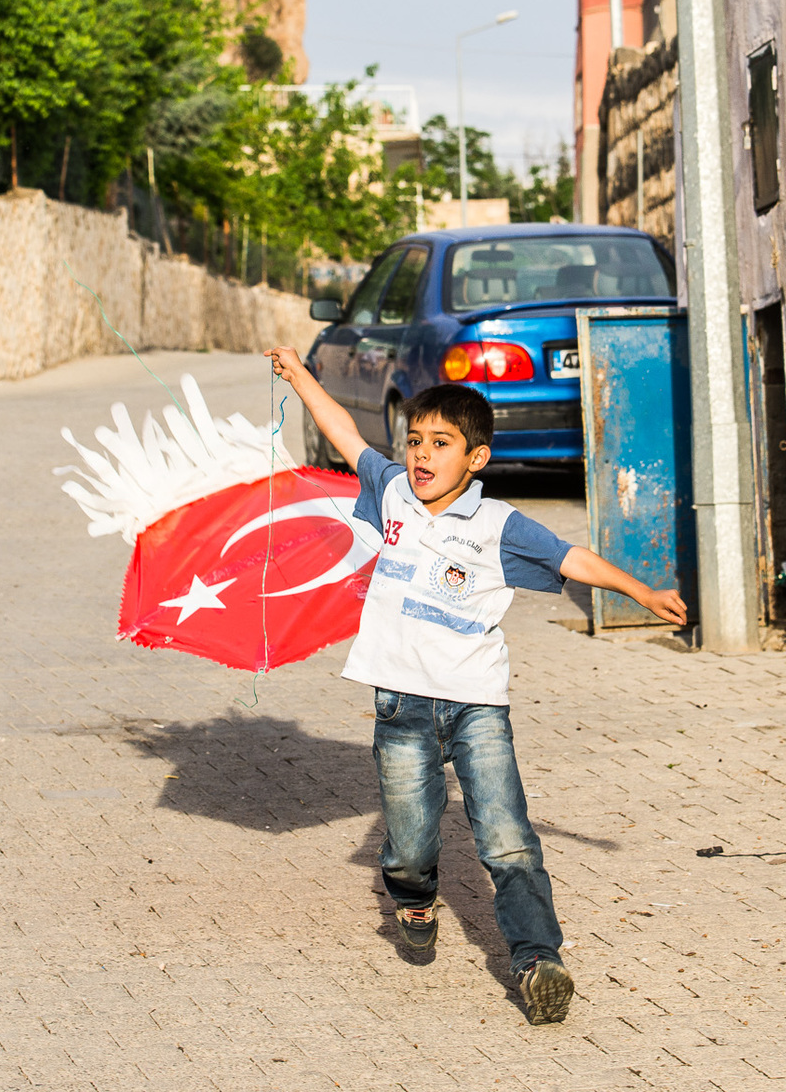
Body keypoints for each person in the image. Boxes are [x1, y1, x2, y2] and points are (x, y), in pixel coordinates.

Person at [266, 346, 688, 1025]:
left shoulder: (498, 525)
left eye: (441, 443)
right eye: (414, 441)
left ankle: (537, 959)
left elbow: (570, 558)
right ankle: (412, 894)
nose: (421, 456)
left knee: (509, 838)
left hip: (477, 707)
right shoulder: (393, 493)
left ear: (477, 458)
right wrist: (299, 375)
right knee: (409, 843)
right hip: (400, 702)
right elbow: (345, 433)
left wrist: (643, 591)